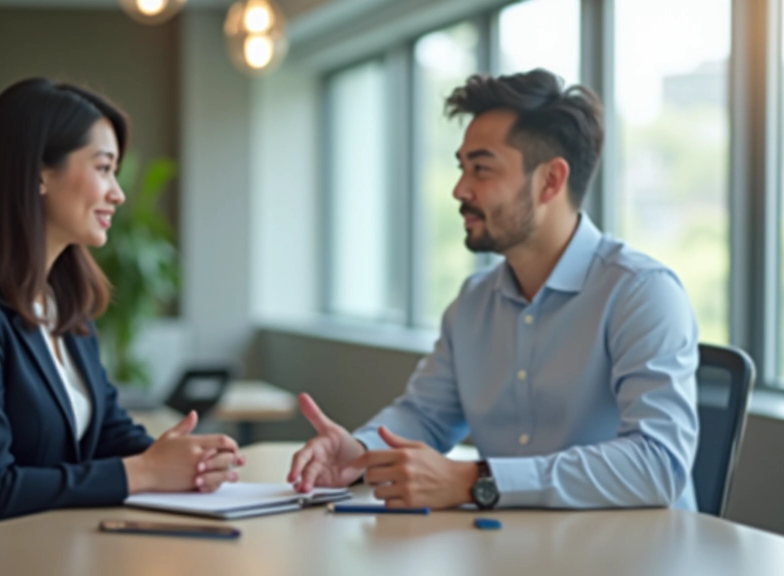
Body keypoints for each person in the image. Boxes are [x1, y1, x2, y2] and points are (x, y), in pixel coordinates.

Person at [288, 69, 699, 511]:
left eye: (481, 169)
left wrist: (475, 481)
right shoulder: (474, 301)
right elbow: (425, 415)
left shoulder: (641, 293)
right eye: (461, 168)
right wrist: (360, 453)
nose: (459, 189)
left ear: (550, 181)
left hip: (633, 546)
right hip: (513, 542)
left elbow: (659, 465)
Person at [0, 78, 242, 538]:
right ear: (38, 174)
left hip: (51, 545)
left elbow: (108, 434)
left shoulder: (66, 306)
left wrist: (189, 461)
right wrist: (145, 472)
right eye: (104, 168)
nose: (118, 193)